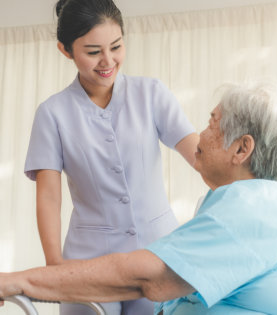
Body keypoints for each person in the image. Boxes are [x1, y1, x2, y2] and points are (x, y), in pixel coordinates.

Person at [1, 81, 277, 314]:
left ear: (242, 149)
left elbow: (145, 278)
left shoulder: (254, 212)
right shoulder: (264, 202)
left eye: (211, 123)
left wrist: (16, 281)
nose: (200, 134)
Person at [23, 0, 199, 314]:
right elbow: (49, 196)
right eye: (93, 52)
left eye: (116, 47)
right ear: (65, 50)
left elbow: (199, 155)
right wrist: (55, 268)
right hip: (87, 259)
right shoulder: (52, 113)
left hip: (158, 253)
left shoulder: (151, 93)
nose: (108, 61)